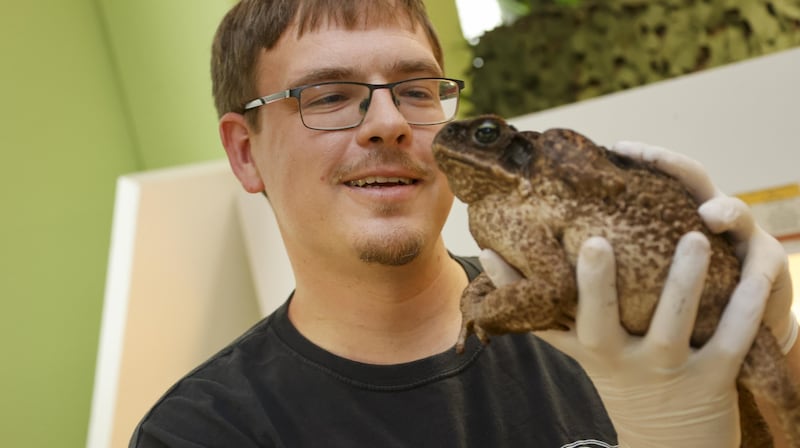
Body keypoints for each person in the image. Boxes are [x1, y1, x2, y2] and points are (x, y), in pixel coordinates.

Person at [130, 0, 800, 446]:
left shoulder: (617, 308)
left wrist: (776, 338)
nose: (389, 124)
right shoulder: (206, 432)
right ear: (246, 153)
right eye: (329, 97)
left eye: (417, 91)